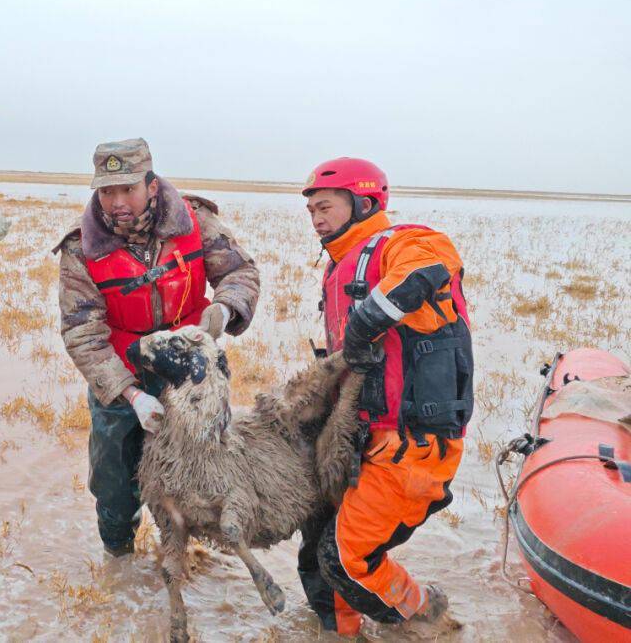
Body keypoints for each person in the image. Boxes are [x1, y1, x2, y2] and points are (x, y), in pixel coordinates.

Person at [54, 138, 260, 556]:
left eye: (127, 189)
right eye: (106, 191)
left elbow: (240, 273)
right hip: (121, 374)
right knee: (114, 483)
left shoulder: (195, 221)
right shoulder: (80, 247)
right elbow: (81, 332)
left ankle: (195, 551)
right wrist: (131, 395)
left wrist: (223, 311)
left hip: (189, 375)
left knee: (203, 472)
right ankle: (119, 560)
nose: (116, 202)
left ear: (151, 185)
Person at [297, 157, 474, 635]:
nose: (316, 218)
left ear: (365, 203)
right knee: (317, 555)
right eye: (311, 210)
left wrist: (363, 325)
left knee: (346, 559)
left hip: (412, 446)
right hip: (359, 442)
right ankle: (338, 633)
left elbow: (427, 268)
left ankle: (426, 614)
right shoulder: (340, 266)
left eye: (325, 207)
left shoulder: (407, 242)